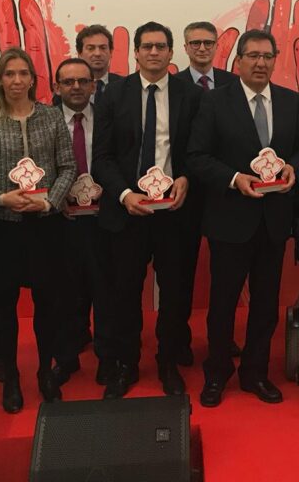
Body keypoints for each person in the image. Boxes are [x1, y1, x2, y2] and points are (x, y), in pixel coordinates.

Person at [188, 29, 299, 407]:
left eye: (267, 56)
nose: (260, 63)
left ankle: (255, 373)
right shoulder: (214, 102)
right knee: (223, 304)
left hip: (274, 220)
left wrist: (294, 169)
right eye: (252, 56)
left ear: (276, 60)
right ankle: (217, 372)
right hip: (230, 219)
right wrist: (233, 178)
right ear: (238, 61)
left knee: (265, 303)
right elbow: (196, 157)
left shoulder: (291, 101)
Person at [92, 22, 201, 399]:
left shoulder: (192, 95)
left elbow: (199, 151)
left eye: (161, 47)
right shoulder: (112, 95)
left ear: (172, 53)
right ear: (135, 53)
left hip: (176, 210)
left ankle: (168, 362)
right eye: (146, 47)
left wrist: (186, 176)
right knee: (124, 293)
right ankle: (126, 364)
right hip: (127, 212)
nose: (154, 53)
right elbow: (101, 157)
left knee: (175, 294)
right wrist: (124, 194)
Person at [0, 47, 75, 412]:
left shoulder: (52, 117)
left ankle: (46, 371)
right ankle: (10, 376)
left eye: (22, 74)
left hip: (46, 227)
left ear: (33, 79)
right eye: (9, 74)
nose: (16, 80)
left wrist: (49, 203)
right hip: (2, 229)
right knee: (1, 307)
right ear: (0, 79)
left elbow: (67, 167)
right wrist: (1, 199)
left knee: (49, 304)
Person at [172, 20, 237, 364]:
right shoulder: (174, 85)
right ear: (185, 47)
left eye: (208, 42)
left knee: (225, 273)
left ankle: (222, 339)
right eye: (194, 42)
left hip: (225, 191)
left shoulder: (232, 83)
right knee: (181, 273)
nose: (201, 48)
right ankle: (179, 341)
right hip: (184, 193)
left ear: (216, 46)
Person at [51, 57, 108, 386]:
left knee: (105, 291)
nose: (76, 87)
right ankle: (66, 357)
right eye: (68, 82)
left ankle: (106, 355)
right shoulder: (43, 120)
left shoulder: (107, 117)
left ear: (93, 85)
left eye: (82, 81)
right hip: (59, 220)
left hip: (102, 220)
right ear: (57, 86)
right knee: (63, 293)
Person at [76, 24, 118, 99]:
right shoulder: (69, 88)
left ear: (111, 52)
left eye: (103, 48)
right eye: (90, 48)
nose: (97, 53)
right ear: (80, 53)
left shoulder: (127, 86)